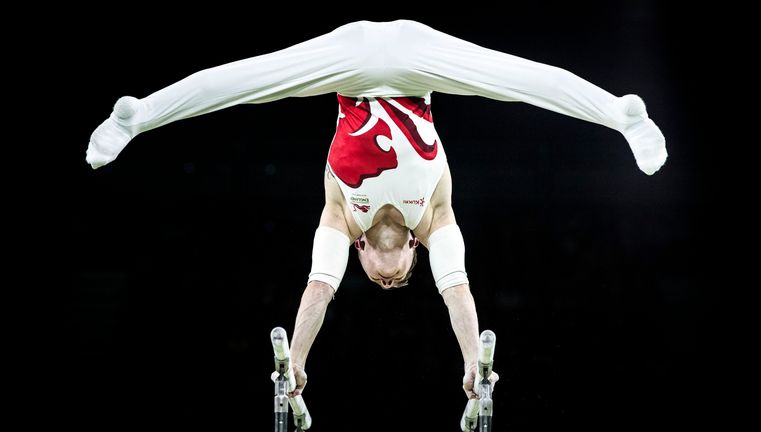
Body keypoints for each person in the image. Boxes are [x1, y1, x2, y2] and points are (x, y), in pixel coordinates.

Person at [86, 19, 667, 401]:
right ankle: (623, 114)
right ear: (413, 250)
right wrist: (473, 364)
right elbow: (457, 291)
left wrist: (298, 367)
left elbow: (317, 289)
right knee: (511, 78)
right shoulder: (436, 217)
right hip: (417, 59)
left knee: (251, 81)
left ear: (359, 254)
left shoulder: (339, 216)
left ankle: (136, 115)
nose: (387, 282)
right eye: (399, 282)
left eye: (376, 283)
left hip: (348, 63)